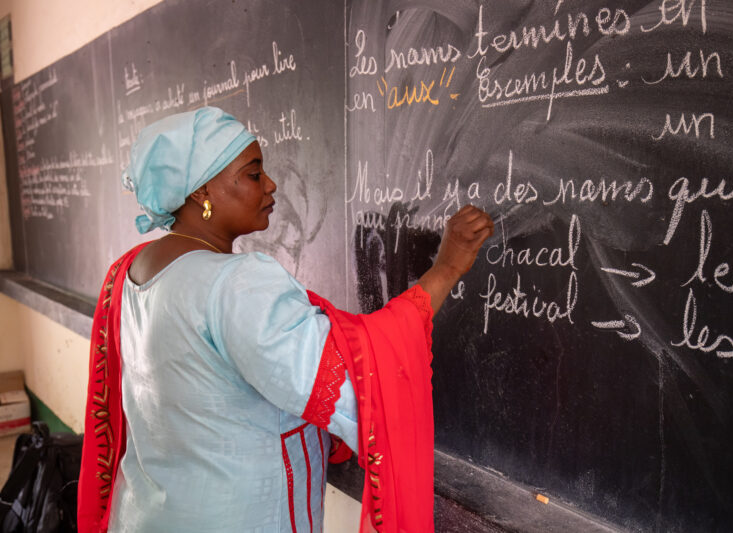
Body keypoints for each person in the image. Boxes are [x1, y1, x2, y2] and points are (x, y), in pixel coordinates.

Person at [76, 107, 494, 533]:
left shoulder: (131, 271)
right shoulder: (236, 285)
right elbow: (356, 388)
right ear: (202, 191)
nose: (271, 185)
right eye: (254, 174)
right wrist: (444, 271)